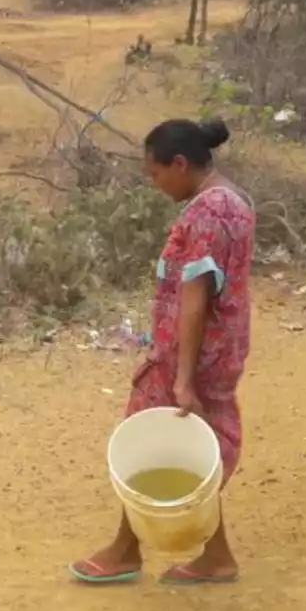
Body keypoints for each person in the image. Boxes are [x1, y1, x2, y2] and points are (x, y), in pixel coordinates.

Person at [69, 118, 255, 586]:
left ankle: (126, 550)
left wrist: (183, 378)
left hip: (190, 355)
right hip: (220, 350)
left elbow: (195, 300)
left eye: (156, 174)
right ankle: (215, 556)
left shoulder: (206, 214)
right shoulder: (234, 202)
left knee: (148, 440)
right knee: (197, 451)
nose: (155, 184)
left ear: (179, 163)